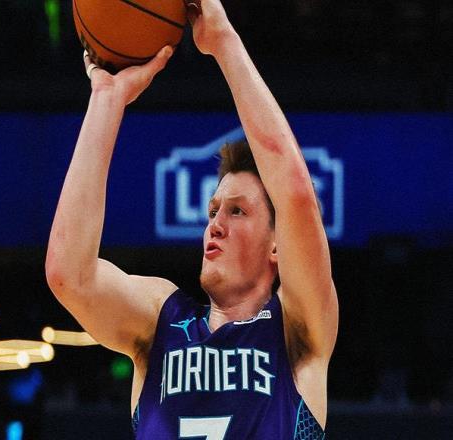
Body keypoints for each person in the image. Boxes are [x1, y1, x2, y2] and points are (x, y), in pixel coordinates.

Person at [45, 1, 338, 438]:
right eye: (213, 211)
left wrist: (223, 42)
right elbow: (69, 275)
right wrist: (106, 99)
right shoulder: (160, 320)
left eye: (237, 210)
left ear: (278, 243)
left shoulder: (296, 330)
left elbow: (295, 194)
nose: (215, 225)